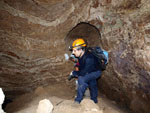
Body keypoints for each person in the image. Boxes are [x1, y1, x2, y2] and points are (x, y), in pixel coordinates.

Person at [68, 38, 102, 104]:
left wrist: (74, 73)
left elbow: (83, 72)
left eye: (74, 51)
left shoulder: (89, 58)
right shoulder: (82, 55)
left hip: (96, 72)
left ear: (80, 49)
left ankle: (78, 100)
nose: (73, 53)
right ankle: (94, 100)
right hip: (91, 71)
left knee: (82, 78)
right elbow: (82, 66)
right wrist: (76, 69)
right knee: (92, 82)